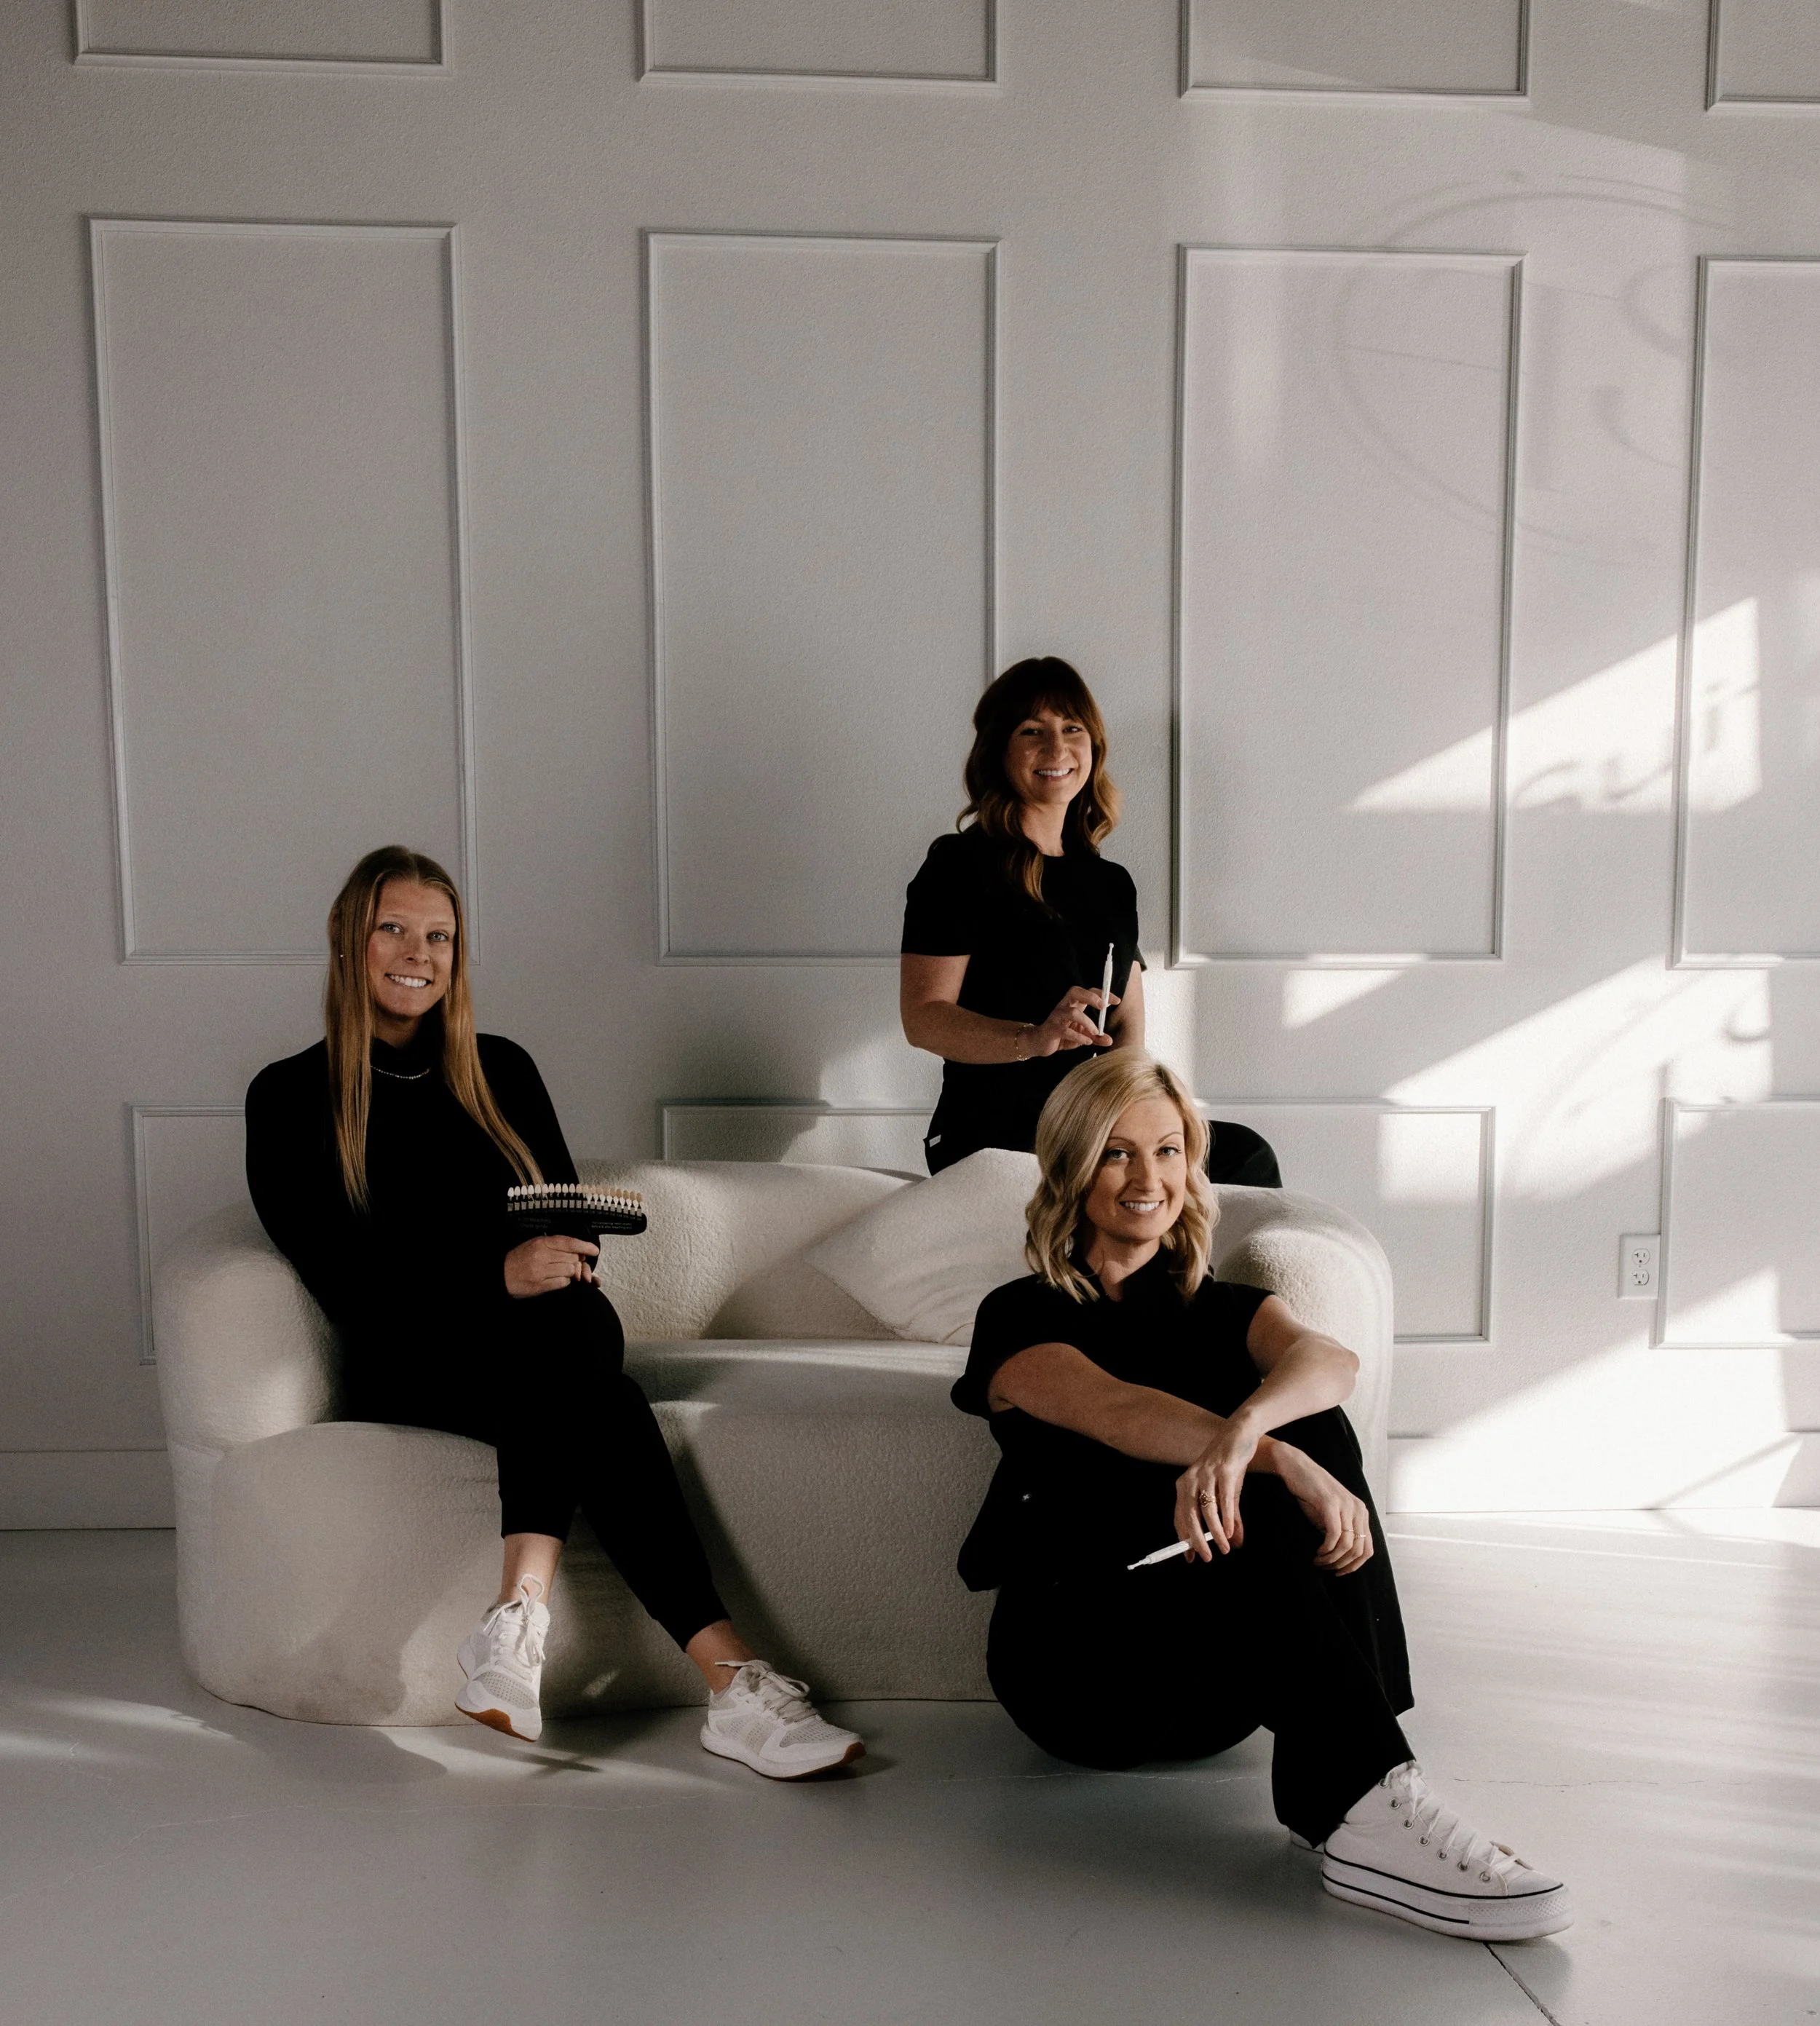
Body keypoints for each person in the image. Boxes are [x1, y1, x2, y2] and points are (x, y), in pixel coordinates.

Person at [245, 845, 861, 1777]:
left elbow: (564, 1224)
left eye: (441, 935)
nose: (420, 951)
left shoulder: (502, 1068)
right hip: (409, 1357)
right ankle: (733, 1687)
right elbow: (346, 1278)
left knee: (572, 1328)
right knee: (598, 1389)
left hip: (535, 1340)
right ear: (348, 941)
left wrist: (537, 1264)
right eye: (395, 929)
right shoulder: (289, 1094)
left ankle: (519, 1627)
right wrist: (494, 1273)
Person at [951, 1050, 1572, 1941]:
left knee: (1312, 1421)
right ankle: (1365, 1803)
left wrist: (1250, 1434)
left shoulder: (1224, 1307)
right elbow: (1119, 1410)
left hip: (1214, 1687)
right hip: (1082, 1672)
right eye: (1117, 1152)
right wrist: (1274, 1457)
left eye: (1168, 1150)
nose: (1148, 1177)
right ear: (1071, 1167)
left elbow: (1332, 1360)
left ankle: (1369, 1790)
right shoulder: (1020, 1313)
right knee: (1290, 1457)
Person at [899, 657, 1280, 1184]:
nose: (1057, 749)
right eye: (1033, 731)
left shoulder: (1111, 884)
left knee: (1245, 1156)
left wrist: (1140, 1116)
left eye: (1071, 728)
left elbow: (1127, 1025)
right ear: (998, 751)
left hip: (1095, 1127)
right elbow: (923, 1016)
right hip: (992, 1128)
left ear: (1093, 746)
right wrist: (1035, 1038)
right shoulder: (959, 865)